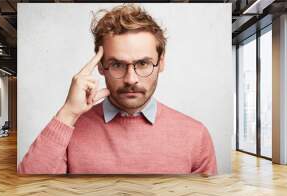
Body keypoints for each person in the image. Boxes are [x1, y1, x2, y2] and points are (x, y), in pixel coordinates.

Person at [18, 4, 217, 175]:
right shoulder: (68, 130)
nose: (131, 79)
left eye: (143, 64)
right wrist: (67, 114)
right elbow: (29, 195)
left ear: (161, 63)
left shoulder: (195, 134)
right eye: (117, 65)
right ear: (100, 66)